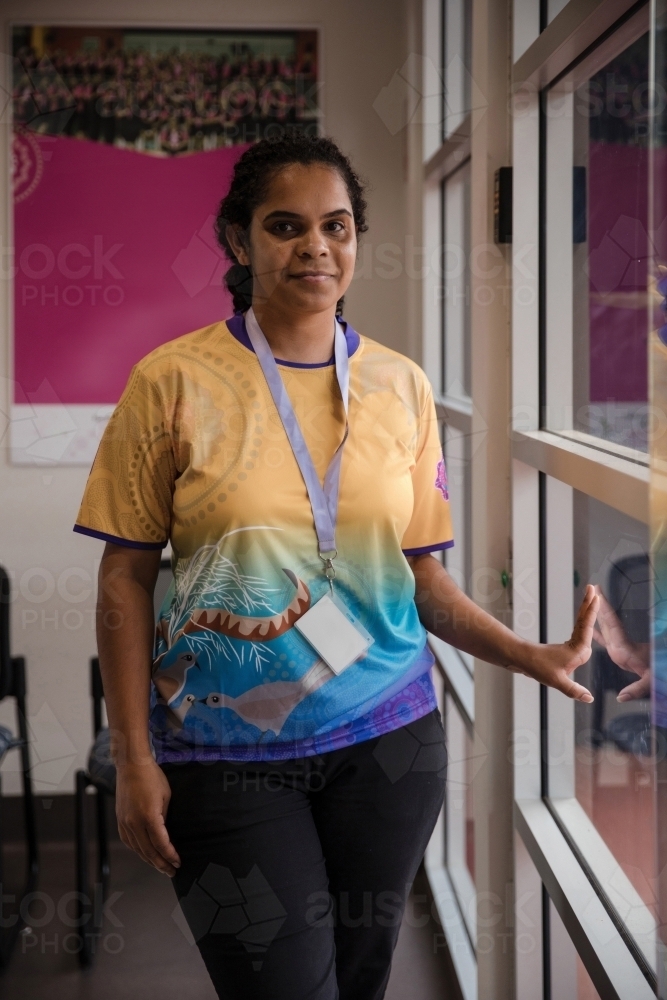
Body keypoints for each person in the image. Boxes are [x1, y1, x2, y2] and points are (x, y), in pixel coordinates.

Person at [74, 133, 599, 1000]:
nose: (315, 246)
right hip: (224, 756)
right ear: (239, 242)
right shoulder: (170, 382)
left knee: (359, 982)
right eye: (286, 226)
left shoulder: (401, 386)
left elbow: (423, 581)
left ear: (356, 240)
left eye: (336, 225)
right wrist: (134, 757)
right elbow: (123, 578)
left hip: (387, 747)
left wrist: (528, 654)